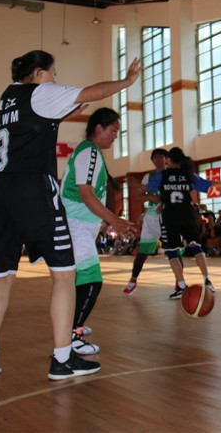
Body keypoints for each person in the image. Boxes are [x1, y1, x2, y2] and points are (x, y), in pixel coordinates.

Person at [0, 49, 141, 380]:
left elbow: (31, 126)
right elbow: (93, 92)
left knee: (3, 274)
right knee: (65, 275)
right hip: (32, 187)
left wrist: (63, 116)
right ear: (40, 73)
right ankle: (62, 358)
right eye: (53, 72)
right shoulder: (41, 91)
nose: (56, 78)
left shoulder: (7, 97)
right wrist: (127, 81)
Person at [60, 108, 137, 356]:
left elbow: (86, 195)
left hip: (78, 225)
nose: (116, 136)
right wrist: (114, 220)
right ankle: (73, 335)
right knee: (92, 280)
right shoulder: (89, 153)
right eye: (114, 130)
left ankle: (70, 327)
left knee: (78, 280)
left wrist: (103, 222)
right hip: (75, 226)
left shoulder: (90, 152)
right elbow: (85, 194)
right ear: (99, 128)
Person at [144, 147, 221, 299]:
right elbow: (209, 183)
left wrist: (137, 186)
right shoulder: (188, 174)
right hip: (187, 214)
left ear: (169, 159)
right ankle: (207, 280)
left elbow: (148, 188)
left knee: (171, 252)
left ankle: (181, 286)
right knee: (196, 246)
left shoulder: (162, 175)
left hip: (170, 215)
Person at [125, 149, 168, 295]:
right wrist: (150, 198)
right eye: (155, 157)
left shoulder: (171, 175)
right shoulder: (148, 177)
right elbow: (138, 197)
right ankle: (133, 280)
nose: (158, 160)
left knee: (174, 252)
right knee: (142, 252)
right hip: (151, 217)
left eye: (161, 157)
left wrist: (163, 202)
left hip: (167, 216)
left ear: (166, 159)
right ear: (152, 160)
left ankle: (179, 283)